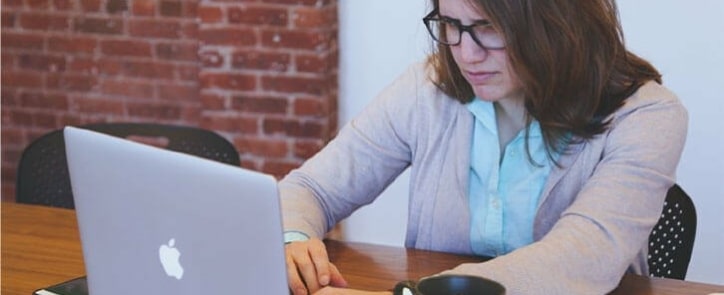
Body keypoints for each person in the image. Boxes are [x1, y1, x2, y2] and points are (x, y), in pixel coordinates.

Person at [279, 0, 688, 294]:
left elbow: (583, 260)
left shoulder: (647, 115)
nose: (465, 53)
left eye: (489, 27)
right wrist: (292, 239)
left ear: (556, 20)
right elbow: (310, 188)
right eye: (451, 24)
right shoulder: (427, 90)